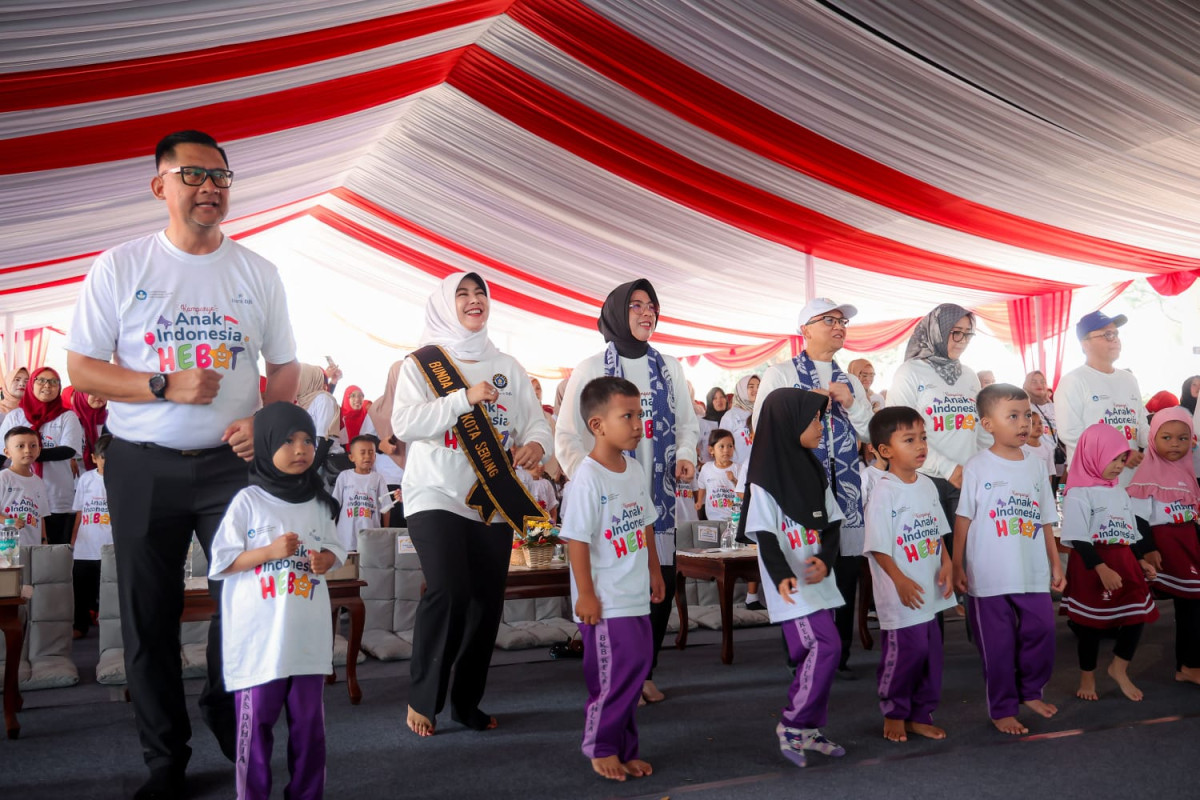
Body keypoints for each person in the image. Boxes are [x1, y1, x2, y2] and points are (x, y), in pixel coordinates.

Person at [65, 129, 300, 798]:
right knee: (149, 613)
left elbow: (283, 367)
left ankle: (226, 706)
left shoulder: (258, 273)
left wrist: (265, 421)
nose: (211, 188)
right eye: (194, 175)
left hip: (233, 469)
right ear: (160, 186)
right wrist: (161, 385)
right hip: (141, 465)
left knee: (249, 599)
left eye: (222, 178)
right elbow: (81, 368)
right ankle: (164, 757)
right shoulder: (121, 267)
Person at [392, 272, 551, 737]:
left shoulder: (508, 365)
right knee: (448, 588)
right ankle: (424, 697)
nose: (473, 300)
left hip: (492, 501)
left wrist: (537, 447)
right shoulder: (421, 365)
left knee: (486, 602)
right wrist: (463, 398)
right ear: (445, 305)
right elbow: (404, 424)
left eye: (480, 292)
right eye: (461, 294)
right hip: (434, 493)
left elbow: (535, 425)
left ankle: (465, 702)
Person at [556, 279, 699, 704]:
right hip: (608, 496)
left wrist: (686, 452)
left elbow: (688, 422)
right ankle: (616, 678)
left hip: (657, 493)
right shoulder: (591, 367)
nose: (646, 312)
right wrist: (595, 479)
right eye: (636, 305)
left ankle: (644, 671)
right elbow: (567, 435)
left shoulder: (670, 366)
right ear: (618, 312)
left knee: (660, 583)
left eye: (652, 305)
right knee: (616, 587)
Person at [208, 402, 345, 800]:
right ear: (267, 445)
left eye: (307, 440)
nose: (300, 448)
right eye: (288, 441)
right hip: (259, 642)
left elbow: (335, 549)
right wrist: (268, 552)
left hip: (306, 638)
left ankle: (306, 794)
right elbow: (222, 561)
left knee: (309, 728)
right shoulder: (248, 502)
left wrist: (326, 560)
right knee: (256, 730)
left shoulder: (320, 503)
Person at [754, 298, 872, 678]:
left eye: (842, 322)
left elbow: (871, 432)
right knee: (801, 571)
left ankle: (839, 656)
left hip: (846, 490)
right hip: (798, 491)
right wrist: (811, 403)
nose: (839, 326)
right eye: (829, 320)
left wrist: (851, 403)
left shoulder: (850, 379)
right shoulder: (781, 372)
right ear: (805, 329)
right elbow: (765, 429)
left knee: (844, 568)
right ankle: (801, 656)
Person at [560, 376, 664, 782]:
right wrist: (585, 594)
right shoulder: (588, 478)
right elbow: (576, 540)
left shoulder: (634, 468)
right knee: (612, 676)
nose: (638, 424)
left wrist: (655, 570)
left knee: (636, 671)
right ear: (598, 426)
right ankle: (601, 746)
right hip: (604, 600)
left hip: (635, 592)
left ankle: (625, 748)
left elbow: (647, 524)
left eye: (640, 415)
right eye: (628, 416)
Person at [739, 388, 846, 767]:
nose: (820, 427)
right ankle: (792, 723)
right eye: (814, 419)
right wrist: (783, 575)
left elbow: (833, 524)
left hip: (819, 581)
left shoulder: (813, 468)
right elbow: (765, 535)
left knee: (818, 658)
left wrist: (826, 560)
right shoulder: (764, 478)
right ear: (788, 423)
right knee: (824, 647)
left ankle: (811, 729)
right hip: (793, 588)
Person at [952, 384, 1064, 735]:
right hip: (988, 575)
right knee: (998, 647)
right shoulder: (976, 466)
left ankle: (1030, 691)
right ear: (987, 424)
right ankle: (1002, 708)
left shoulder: (1036, 465)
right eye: (1012, 416)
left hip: (1031, 571)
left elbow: (1046, 518)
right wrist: (957, 565)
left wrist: (1056, 562)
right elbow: (963, 520)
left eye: (1027, 415)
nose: (1023, 423)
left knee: (1042, 632)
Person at [864, 407, 955, 743]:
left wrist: (947, 563)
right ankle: (895, 712)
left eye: (923, 438)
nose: (921, 446)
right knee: (905, 654)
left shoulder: (929, 485)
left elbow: (938, 533)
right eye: (909, 439)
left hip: (929, 589)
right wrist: (898, 580)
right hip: (901, 593)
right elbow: (876, 545)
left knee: (931, 654)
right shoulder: (884, 490)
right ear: (885, 450)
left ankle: (921, 713)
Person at [1059, 423, 1159, 702]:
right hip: (1093, 563)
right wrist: (1101, 569)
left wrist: (1140, 560)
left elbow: (1130, 531)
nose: (1119, 466)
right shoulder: (1078, 492)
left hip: (1124, 560)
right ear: (1091, 455)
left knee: (1137, 613)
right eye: (1112, 458)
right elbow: (1078, 538)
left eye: (1121, 459)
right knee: (1090, 625)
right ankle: (1087, 676)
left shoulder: (1118, 490)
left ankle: (1119, 667)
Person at [887, 304, 989, 526]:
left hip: (965, 479)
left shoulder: (969, 376)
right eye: (956, 332)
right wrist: (946, 467)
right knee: (933, 556)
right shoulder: (910, 372)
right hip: (923, 477)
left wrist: (989, 463)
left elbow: (979, 430)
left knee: (964, 555)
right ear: (937, 331)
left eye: (968, 333)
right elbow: (898, 431)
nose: (962, 340)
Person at [1125, 407, 1199, 685]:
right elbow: (1138, 519)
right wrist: (1147, 550)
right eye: (1166, 437)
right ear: (1153, 438)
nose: (1175, 445)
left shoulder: (1187, 471)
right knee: (1192, 604)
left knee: (1191, 606)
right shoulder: (1146, 475)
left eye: (1183, 438)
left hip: (1188, 541)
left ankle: (1189, 663)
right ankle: (1189, 665)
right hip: (1166, 546)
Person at [1055, 311, 1148, 486]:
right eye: (1107, 334)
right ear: (1085, 344)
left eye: (1116, 334)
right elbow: (1071, 434)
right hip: (1092, 485)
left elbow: (1141, 426)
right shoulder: (1073, 381)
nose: (1115, 339)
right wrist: (1120, 454)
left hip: (1132, 483)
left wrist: (1167, 438)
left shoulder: (1129, 379)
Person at [0, 366, 83, 545]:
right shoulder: (15, 416)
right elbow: (2, 452)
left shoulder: (67, 417)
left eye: (54, 382)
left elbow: (67, 450)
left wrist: (24, 454)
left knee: (53, 551)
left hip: (57, 494)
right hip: (17, 498)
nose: (48, 385)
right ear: (32, 384)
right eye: (42, 380)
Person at [70, 433, 112, 639]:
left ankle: (108, 625)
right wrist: (74, 539)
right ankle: (80, 624)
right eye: (104, 457)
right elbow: (80, 511)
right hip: (85, 547)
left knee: (108, 589)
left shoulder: (124, 481)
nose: (108, 461)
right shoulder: (86, 479)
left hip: (111, 546)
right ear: (95, 458)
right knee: (80, 589)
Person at [331, 435, 394, 552]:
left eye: (371, 453)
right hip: (346, 537)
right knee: (348, 568)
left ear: (375, 456)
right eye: (363, 452)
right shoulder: (344, 476)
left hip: (371, 536)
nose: (367, 456)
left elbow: (386, 507)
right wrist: (329, 533)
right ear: (352, 457)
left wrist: (385, 532)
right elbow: (334, 505)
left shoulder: (378, 479)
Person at [1, 426, 49, 546]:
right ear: (7, 452)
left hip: (33, 546)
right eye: (20, 446)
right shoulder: (3, 477)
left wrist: (44, 540)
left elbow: (41, 515)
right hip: (7, 546)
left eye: (33, 446)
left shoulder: (38, 481)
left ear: (39, 450)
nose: (27, 450)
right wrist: (9, 521)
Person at [296, 364, 341, 470]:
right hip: (306, 460)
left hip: (322, 463)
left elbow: (325, 440)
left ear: (308, 379)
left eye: (298, 379)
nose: (292, 382)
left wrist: (311, 472)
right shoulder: (302, 402)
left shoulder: (323, 399)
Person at [1023, 370, 1063, 485]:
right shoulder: (1024, 406)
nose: (1039, 385)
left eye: (1042, 382)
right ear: (1026, 385)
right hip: (1033, 456)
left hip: (1055, 456)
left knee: (1053, 490)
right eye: (1034, 381)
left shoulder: (1053, 407)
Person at [696, 429, 739, 523]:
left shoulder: (738, 469)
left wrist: (734, 480)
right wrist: (699, 501)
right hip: (713, 519)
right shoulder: (706, 468)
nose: (726, 450)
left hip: (734, 519)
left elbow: (743, 492)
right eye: (721, 446)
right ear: (711, 450)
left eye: (730, 446)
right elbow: (701, 486)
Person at [70, 388, 109, 471]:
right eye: (93, 392)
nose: (99, 396)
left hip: (102, 473)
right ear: (82, 394)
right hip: (73, 472)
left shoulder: (110, 420)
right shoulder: (68, 419)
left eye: (104, 393)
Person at [1023, 411, 1056, 479]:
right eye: (1033, 424)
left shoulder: (1048, 448)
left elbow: (1049, 474)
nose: (1038, 426)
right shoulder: (1020, 449)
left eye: (1040, 423)